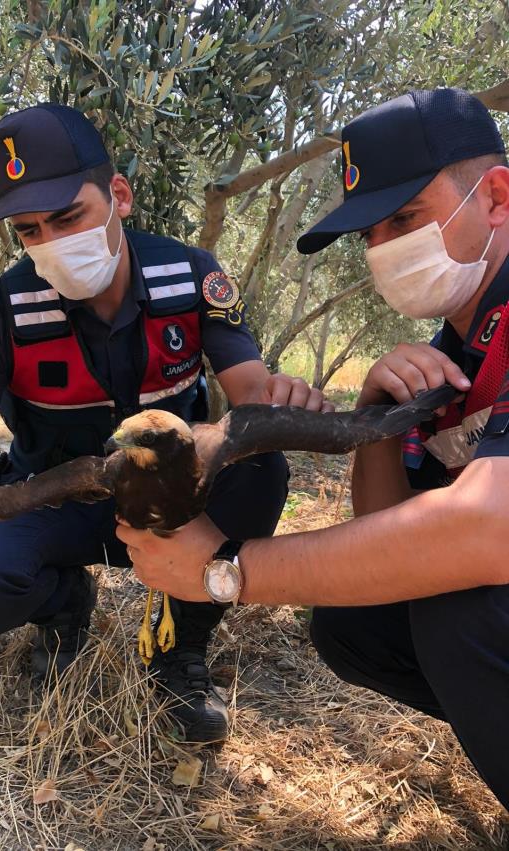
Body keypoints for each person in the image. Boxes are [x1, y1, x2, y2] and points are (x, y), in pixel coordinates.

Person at [0, 103, 330, 743]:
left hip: (172, 499)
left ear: (119, 195)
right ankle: (63, 606)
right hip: (49, 500)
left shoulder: (191, 278)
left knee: (259, 472)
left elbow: (251, 395)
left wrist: (283, 399)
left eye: (68, 217)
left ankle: (177, 644)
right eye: (29, 230)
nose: (52, 242)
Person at [117, 88, 509, 806]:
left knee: (466, 614)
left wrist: (223, 570)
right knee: (357, 621)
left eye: (404, 219)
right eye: (369, 234)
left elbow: (488, 529)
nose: (384, 250)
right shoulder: (454, 349)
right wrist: (375, 421)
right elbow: (386, 537)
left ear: (495, 197)